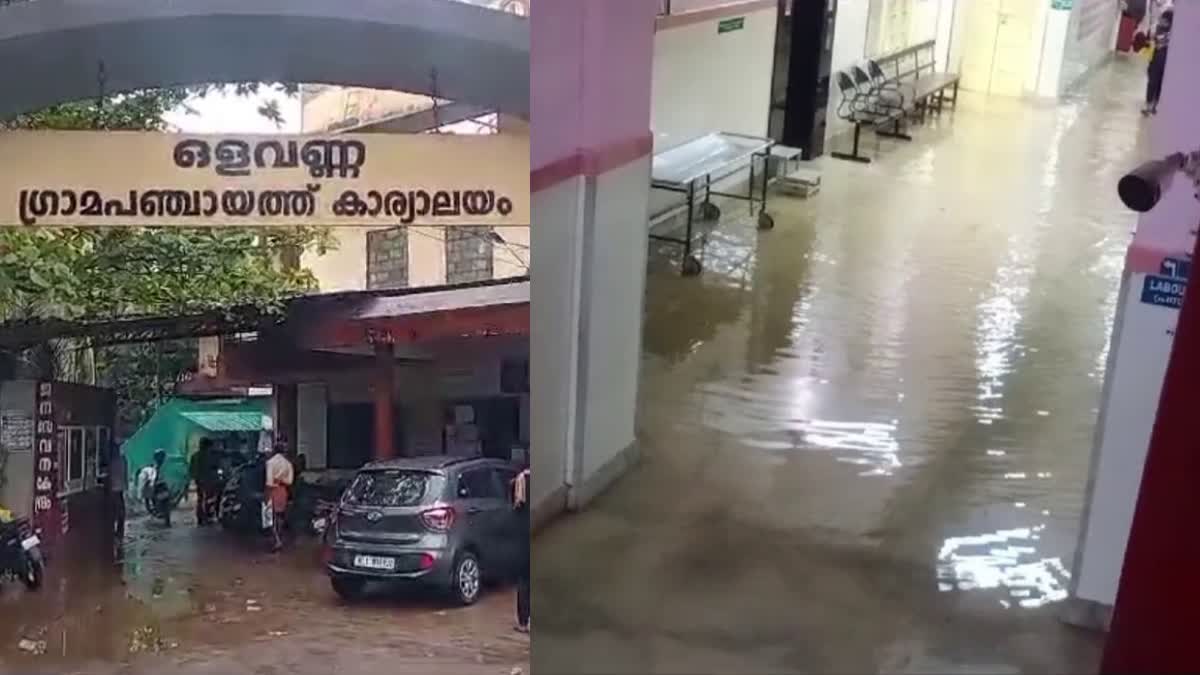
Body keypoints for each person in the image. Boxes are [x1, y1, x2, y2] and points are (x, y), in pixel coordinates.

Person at [265, 441, 294, 552]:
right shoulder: (288, 464)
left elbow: (268, 482)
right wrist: (281, 480)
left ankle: (276, 540)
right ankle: (278, 537)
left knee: (270, 517)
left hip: (272, 491)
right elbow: (290, 482)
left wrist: (266, 494)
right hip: (283, 491)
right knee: (280, 515)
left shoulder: (270, 463)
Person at [511, 466, 530, 634]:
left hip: (524, 538)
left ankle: (524, 622)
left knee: (524, 580)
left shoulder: (522, 479)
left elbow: (517, 506)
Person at [1143, 7, 1173, 116]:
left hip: (1164, 56)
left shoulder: (1172, 31)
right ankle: (1150, 105)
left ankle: (1154, 105)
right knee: (1153, 80)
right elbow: (1153, 36)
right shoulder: (1160, 24)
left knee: (1159, 82)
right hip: (1156, 55)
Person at [190, 438, 218, 526]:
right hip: (207, 480)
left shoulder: (194, 455)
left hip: (199, 480)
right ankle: (207, 517)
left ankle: (200, 518)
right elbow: (214, 467)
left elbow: (191, 469)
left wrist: (195, 477)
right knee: (208, 498)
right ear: (208, 446)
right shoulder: (209, 456)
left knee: (200, 498)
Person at [107, 444, 127, 559]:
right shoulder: (123, 460)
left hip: (114, 490)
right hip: (119, 490)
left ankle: (116, 536)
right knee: (120, 514)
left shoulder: (111, 461)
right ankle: (119, 536)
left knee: (116, 514)